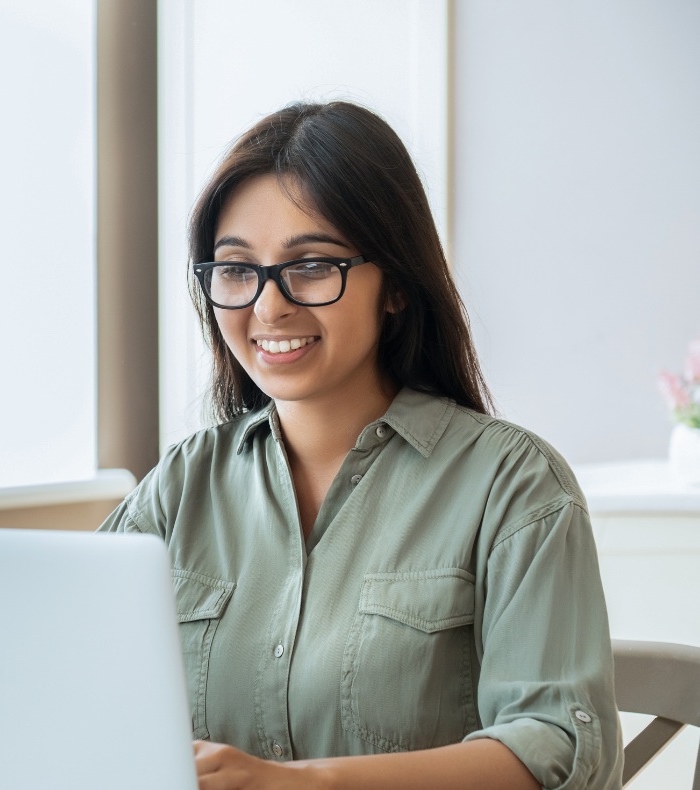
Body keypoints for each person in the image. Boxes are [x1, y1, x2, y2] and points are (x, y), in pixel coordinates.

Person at [97, 101, 622, 789]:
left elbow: (557, 748)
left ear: (397, 285)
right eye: (235, 269)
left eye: (311, 265)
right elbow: (68, 678)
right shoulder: (180, 486)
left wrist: (303, 783)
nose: (268, 307)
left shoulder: (514, 484)